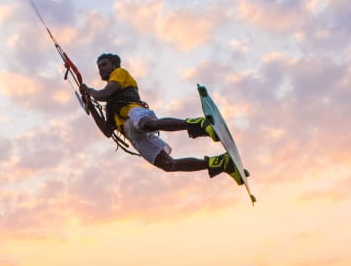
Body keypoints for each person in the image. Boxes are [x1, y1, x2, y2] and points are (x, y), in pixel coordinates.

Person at [87, 53, 245, 184]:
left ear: (114, 65)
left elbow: (104, 94)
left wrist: (90, 91)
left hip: (134, 112)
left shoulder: (120, 73)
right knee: (169, 165)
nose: (100, 69)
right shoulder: (109, 106)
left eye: (104, 65)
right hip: (132, 134)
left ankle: (199, 124)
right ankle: (219, 163)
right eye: (99, 66)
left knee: (147, 124)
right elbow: (107, 131)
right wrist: (90, 106)